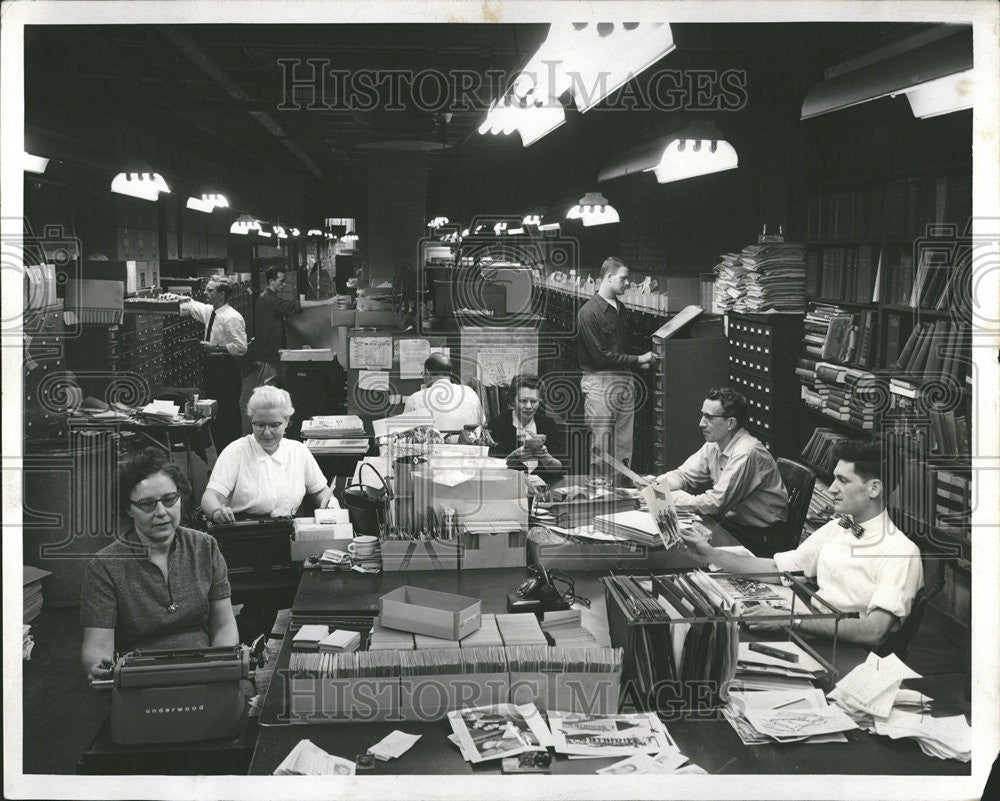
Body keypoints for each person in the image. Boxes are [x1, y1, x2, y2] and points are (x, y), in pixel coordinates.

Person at [679, 439, 924, 649]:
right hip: (813, 630)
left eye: (843, 481)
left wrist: (791, 620)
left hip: (848, 651)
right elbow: (780, 569)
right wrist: (711, 555)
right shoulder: (840, 526)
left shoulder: (901, 552)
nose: (831, 489)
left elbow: (874, 631)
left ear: (874, 489)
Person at [80, 448, 238, 684]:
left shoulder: (205, 547)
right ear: (127, 508)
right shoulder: (105, 566)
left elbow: (224, 623)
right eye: (147, 504)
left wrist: (219, 665)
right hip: (139, 676)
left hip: (205, 668)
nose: (162, 512)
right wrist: (99, 668)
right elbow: (98, 645)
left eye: (169, 499)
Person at [654, 387, 788, 555]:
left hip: (759, 537)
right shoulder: (715, 443)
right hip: (732, 525)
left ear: (730, 423)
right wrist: (657, 484)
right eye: (703, 415)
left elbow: (715, 504)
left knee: (682, 551)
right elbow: (684, 475)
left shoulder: (746, 453)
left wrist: (669, 497)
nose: (701, 423)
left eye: (709, 417)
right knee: (674, 542)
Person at [201, 386, 335, 523]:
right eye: (259, 425)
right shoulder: (235, 451)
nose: (266, 432)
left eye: (274, 425)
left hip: (287, 530)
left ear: (287, 422)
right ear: (251, 421)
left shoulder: (298, 451)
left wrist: (332, 509)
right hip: (243, 532)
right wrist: (217, 511)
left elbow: (320, 492)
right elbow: (210, 497)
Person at [575, 257, 655, 477]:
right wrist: (637, 360)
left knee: (624, 443)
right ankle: (599, 495)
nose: (627, 283)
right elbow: (600, 357)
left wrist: (636, 364)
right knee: (601, 444)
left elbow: (619, 349)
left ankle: (621, 493)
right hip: (600, 382)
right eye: (623, 278)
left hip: (625, 380)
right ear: (608, 277)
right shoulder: (588, 313)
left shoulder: (620, 308)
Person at [179, 277, 248, 450]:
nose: (205, 293)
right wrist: (167, 298)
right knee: (214, 412)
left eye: (210, 290)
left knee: (227, 413)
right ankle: (220, 454)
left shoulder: (231, 317)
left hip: (226, 368)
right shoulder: (211, 311)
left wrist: (215, 346)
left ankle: (232, 452)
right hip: (212, 368)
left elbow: (241, 347)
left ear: (222, 294)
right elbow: (192, 305)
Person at [487, 374, 564, 484]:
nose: (529, 406)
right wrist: (514, 457)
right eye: (523, 401)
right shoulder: (497, 424)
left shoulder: (548, 424)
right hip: (510, 488)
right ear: (513, 400)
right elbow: (493, 470)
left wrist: (545, 457)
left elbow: (558, 469)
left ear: (540, 400)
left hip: (544, 489)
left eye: (533, 401)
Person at [403, 353, 485, 433]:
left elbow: (405, 433)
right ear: (451, 373)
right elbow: (482, 423)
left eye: (423, 374)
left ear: (427, 373)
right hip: (469, 445)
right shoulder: (470, 393)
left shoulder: (415, 399)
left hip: (434, 446)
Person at [253, 265, 301, 385]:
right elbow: (291, 306)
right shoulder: (267, 299)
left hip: (271, 354)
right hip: (269, 356)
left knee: (272, 391)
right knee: (268, 393)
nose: (284, 285)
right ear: (271, 281)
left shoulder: (268, 297)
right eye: (282, 281)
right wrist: (326, 302)